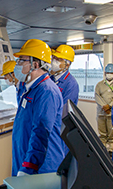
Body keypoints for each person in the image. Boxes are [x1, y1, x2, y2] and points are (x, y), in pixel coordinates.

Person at [12, 39, 65, 176]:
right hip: (24, 158)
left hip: (40, 167)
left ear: (35, 64)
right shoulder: (30, 88)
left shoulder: (46, 91)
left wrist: (29, 166)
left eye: (22, 61)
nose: (17, 65)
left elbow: (41, 132)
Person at [95, 63, 113, 155]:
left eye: (111, 72)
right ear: (105, 73)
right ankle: (102, 149)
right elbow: (97, 97)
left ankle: (111, 150)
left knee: (111, 134)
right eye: (108, 72)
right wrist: (104, 106)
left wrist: (109, 106)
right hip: (101, 113)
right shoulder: (99, 85)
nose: (109, 74)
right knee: (102, 133)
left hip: (111, 113)